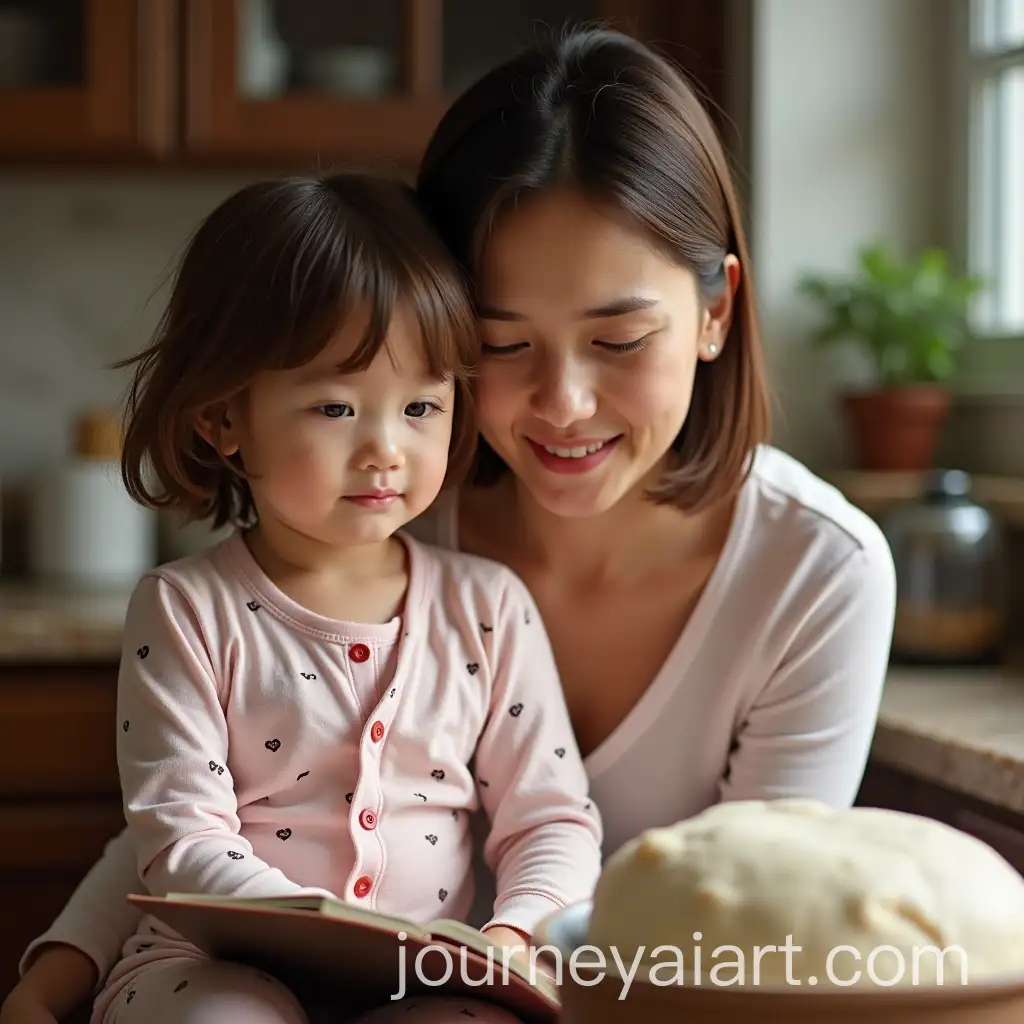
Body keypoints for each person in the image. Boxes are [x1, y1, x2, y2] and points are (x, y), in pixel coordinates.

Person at [1, 23, 896, 1024]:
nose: (562, 403)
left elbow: (743, 926)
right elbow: (197, 814)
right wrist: (63, 963)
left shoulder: (815, 571)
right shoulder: (385, 519)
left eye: (618, 337)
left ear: (715, 311)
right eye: (501, 342)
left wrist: (502, 954)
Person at [6, 171, 603, 1024]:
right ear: (223, 419)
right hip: (210, 970)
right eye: (334, 405)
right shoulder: (184, 610)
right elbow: (178, 840)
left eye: (423, 406)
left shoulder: (489, 608)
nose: (385, 450)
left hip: (423, 985)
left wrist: (509, 937)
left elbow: (552, 822)